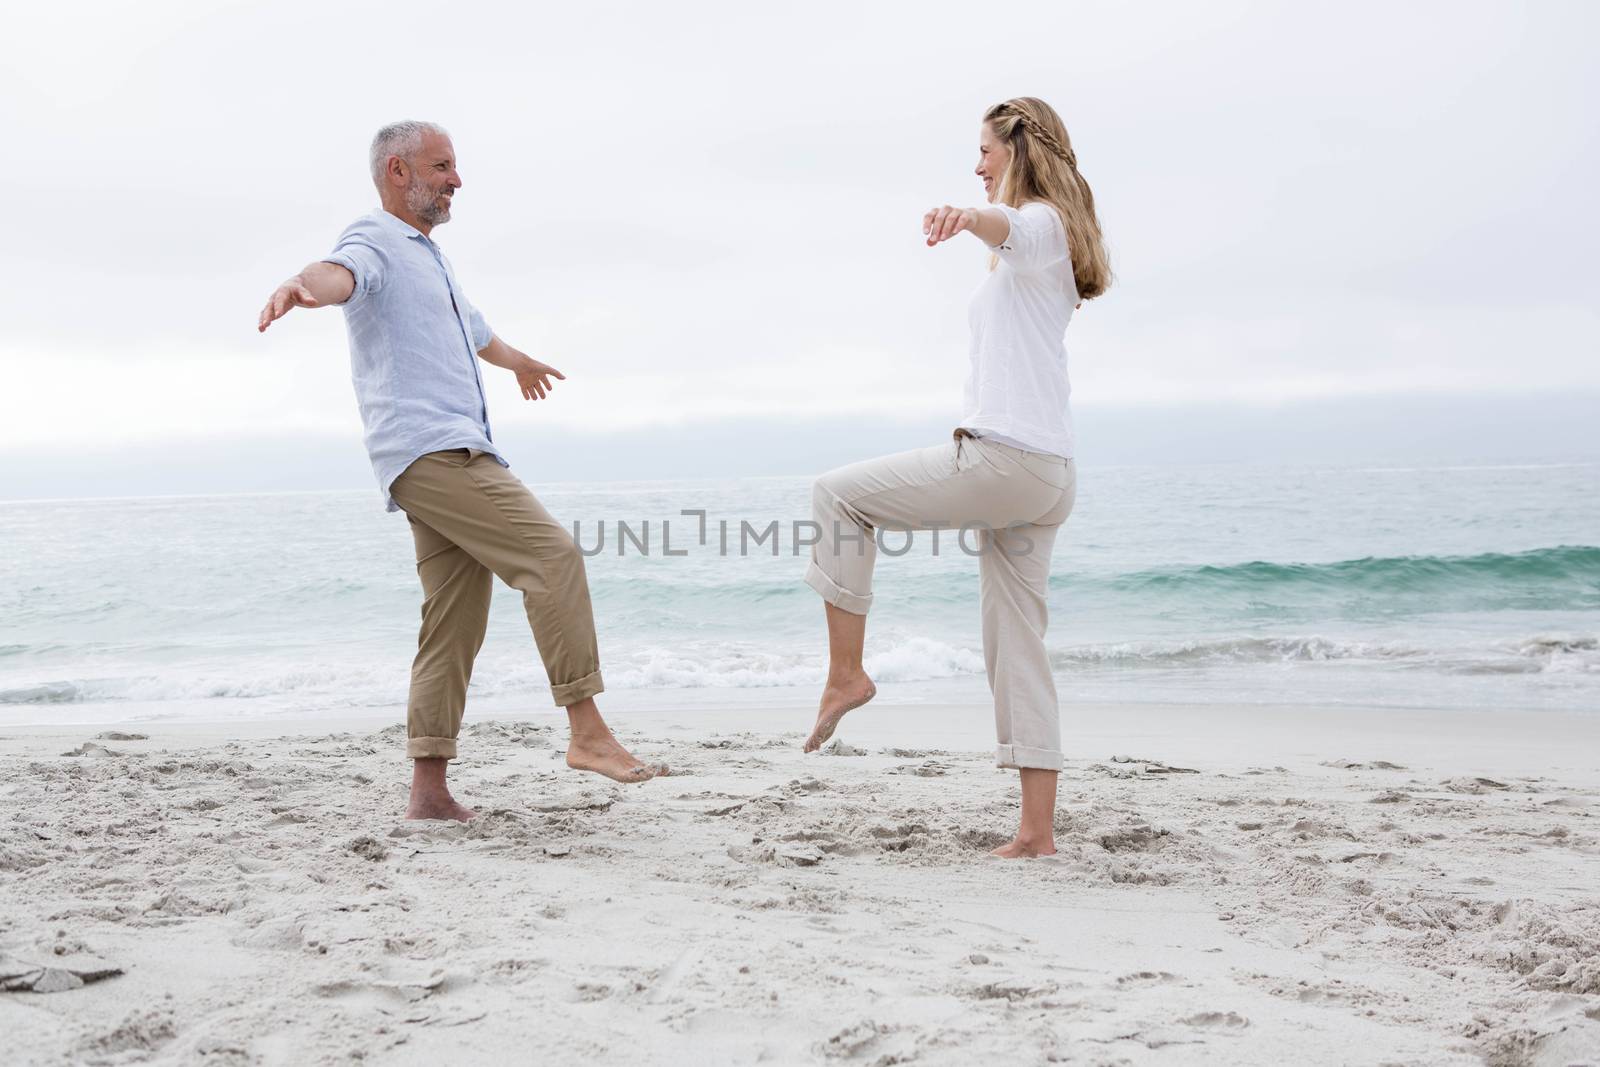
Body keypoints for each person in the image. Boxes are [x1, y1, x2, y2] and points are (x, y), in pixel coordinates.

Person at [257, 121, 663, 822]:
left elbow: (477, 331)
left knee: (452, 620)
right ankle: (587, 731)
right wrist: (305, 284)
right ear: (397, 173)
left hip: (436, 452)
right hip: (433, 450)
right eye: (441, 166)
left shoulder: (432, 260)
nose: (455, 179)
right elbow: (342, 273)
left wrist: (521, 362)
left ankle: (429, 791)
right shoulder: (377, 238)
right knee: (552, 555)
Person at [802, 97, 1112, 858]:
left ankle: (846, 675)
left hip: (1007, 459)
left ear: (1018, 149)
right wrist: (977, 223)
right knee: (1017, 644)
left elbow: (1008, 225)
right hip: (1046, 470)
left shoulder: (1039, 225)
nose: (976, 166)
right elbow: (1007, 237)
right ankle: (1035, 833)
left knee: (838, 495)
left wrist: (965, 215)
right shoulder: (1049, 247)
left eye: (984, 151)